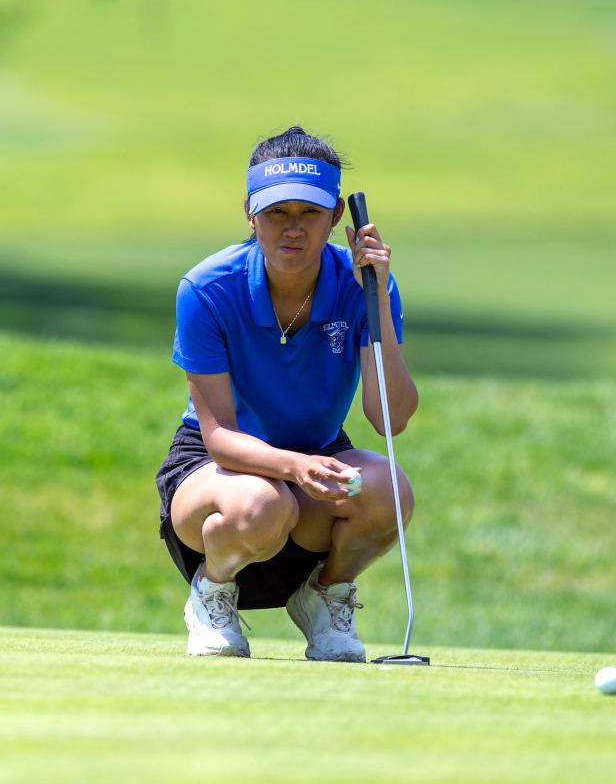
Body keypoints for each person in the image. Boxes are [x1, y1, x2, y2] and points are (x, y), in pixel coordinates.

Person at [154, 126, 418, 661]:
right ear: (250, 213)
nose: (292, 229)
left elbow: (390, 419)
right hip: (217, 472)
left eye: (309, 213)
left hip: (317, 460)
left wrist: (378, 303)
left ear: (338, 215)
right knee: (260, 501)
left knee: (390, 489)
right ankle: (214, 594)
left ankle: (325, 596)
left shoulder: (365, 284)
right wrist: (294, 469)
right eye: (276, 213)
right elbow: (220, 436)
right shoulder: (207, 288)